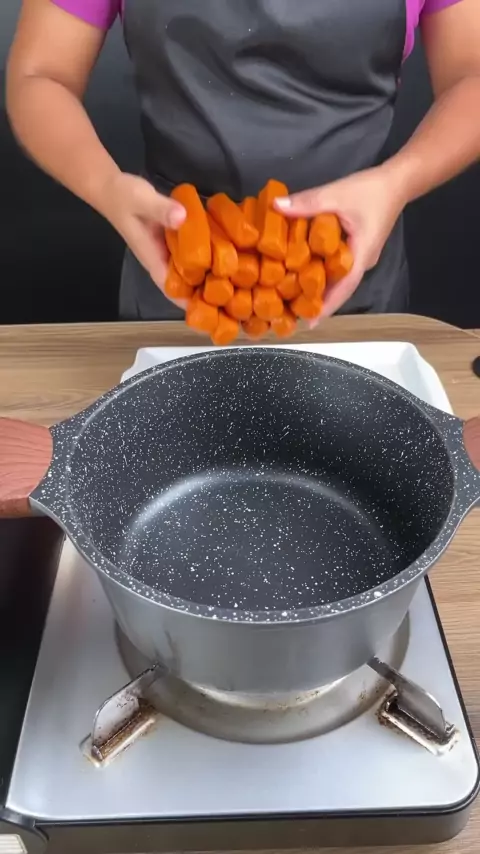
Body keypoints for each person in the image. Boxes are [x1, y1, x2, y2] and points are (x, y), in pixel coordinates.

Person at [6, 0, 480, 323]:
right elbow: (41, 74)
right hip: (179, 273)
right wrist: (106, 186)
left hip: (350, 280)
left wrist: (397, 182)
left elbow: (471, 75)